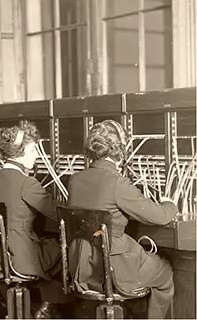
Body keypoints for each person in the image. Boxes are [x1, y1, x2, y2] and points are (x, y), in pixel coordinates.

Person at [67, 120, 178, 319]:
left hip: (82, 269)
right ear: (121, 150)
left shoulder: (74, 180)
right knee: (165, 271)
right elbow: (160, 217)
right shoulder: (117, 183)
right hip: (114, 270)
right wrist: (170, 204)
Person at [0, 123, 67, 318]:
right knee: (65, 248)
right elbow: (58, 214)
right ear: (19, 152)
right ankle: (48, 305)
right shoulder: (27, 183)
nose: (36, 155)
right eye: (33, 149)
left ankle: (40, 305)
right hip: (21, 257)